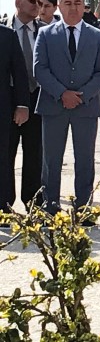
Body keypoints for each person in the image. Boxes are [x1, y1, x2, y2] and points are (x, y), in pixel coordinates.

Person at [33, 0, 100, 221]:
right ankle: (50, 207)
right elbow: (39, 69)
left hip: (85, 108)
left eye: (77, 3)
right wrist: (62, 93)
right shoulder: (46, 34)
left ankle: (83, 209)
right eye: (67, 3)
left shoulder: (96, 35)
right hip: (53, 105)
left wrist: (82, 95)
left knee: (85, 159)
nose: (73, 8)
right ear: (59, 6)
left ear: (84, 5)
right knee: (51, 160)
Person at [4, 0, 45, 210]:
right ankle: (5, 202)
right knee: (6, 152)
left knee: (35, 153)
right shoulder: (5, 29)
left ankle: (33, 202)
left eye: (39, 2)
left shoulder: (45, 32)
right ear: (18, 2)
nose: (37, 5)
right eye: (32, 1)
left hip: (37, 98)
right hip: (8, 99)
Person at [0, 21, 30, 225]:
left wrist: (22, 104)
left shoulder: (7, 36)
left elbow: (19, 73)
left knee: (2, 159)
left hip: (2, 108)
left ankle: (3, 207)